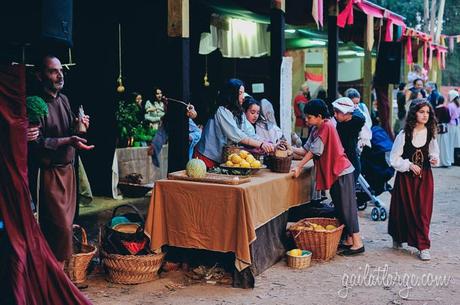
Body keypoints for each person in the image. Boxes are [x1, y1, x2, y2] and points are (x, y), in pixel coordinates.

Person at [29, 55, 94, 267]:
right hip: (50, 174)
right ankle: (55, 280)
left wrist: (78, 125)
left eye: (61, 70)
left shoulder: (64, 99)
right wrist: (70, 139)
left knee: (66, 227)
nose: (59, 75)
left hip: (68, 173)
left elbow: (70, 132)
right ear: (40, 75)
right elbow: (37, 142)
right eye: (53, 71)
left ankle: (62, 278)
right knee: (59, 229)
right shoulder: (36, 105)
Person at [291, 99, 364, 255]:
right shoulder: (316, 129)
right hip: (337, 173)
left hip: (341, 171)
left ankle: (358, 243)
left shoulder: (326, 126)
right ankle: (350, 240)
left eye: (309, 117)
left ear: (319, 116)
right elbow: (305, 150)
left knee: (348, 208)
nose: (306, 120)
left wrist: (299, 166)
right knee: (341, 208)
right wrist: (289, 149)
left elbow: (314, 152)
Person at [388, 99, 439, 261]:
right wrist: (408, 165)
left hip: (424, 177)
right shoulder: (404, 135)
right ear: (414, 113)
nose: (425, 115)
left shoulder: (430, 133)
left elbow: (434, 152)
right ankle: (398, 236)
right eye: (421, 112)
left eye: (427, 112)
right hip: (406, 179)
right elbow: (394, 158)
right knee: (403, 208)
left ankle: (423, 246)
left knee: (423, 211)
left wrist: (434, 159)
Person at [195, 78, 274, 168]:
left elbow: (249, 134)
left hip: (221, 158)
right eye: (240, 93)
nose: (243, 96)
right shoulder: (222, 111)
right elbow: (237, 135)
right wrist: (261, 144)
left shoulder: (239, 112)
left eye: (243, 93)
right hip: (207, 157)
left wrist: (268, 144)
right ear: (231, 94)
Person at [332, 97, 366, 181]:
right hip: (343, 163)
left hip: (350, 165)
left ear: (346, 112)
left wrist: (351, 108)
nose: (335, 115)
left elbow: (361, 118)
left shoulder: (354, 122)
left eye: (337, 112)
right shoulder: (342, 121)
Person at [434, 96, 451, 167]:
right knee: (444, 146)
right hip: (444, 128)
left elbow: (434, 119)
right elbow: (448, 119)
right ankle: (445, 161)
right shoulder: (446, 108)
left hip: (437, 129)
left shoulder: (435, 109)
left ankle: (438, 162)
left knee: (437, 145)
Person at [447, 90, 460, 164]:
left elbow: (448, 116)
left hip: (451, 124)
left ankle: (450, 159)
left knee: (450, 143)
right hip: (457, 124)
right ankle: (453, 160)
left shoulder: (450, 105)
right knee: (454, 143)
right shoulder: (458, 105)